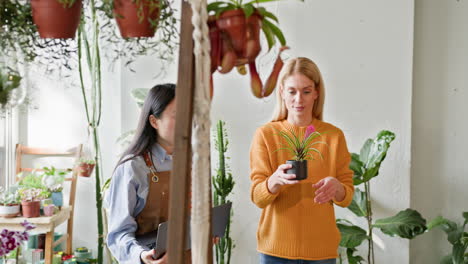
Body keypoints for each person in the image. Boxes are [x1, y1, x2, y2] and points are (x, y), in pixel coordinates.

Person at [249, 57, 354, 264]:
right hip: (275, 253)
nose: (299, 100)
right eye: (292, 91)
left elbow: (347, 196)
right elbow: (257, 197)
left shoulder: (334, 137)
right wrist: (274, 182)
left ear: (316, 93)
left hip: (321, 253)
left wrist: (337, 188)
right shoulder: (265, 135)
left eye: (306, 91)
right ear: (281, 91)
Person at [105, 83, 176, 264]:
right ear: (154, 121)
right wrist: (141, 256)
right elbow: (118, 234)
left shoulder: (189, 161)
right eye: (177, 116)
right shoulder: (132, 167)